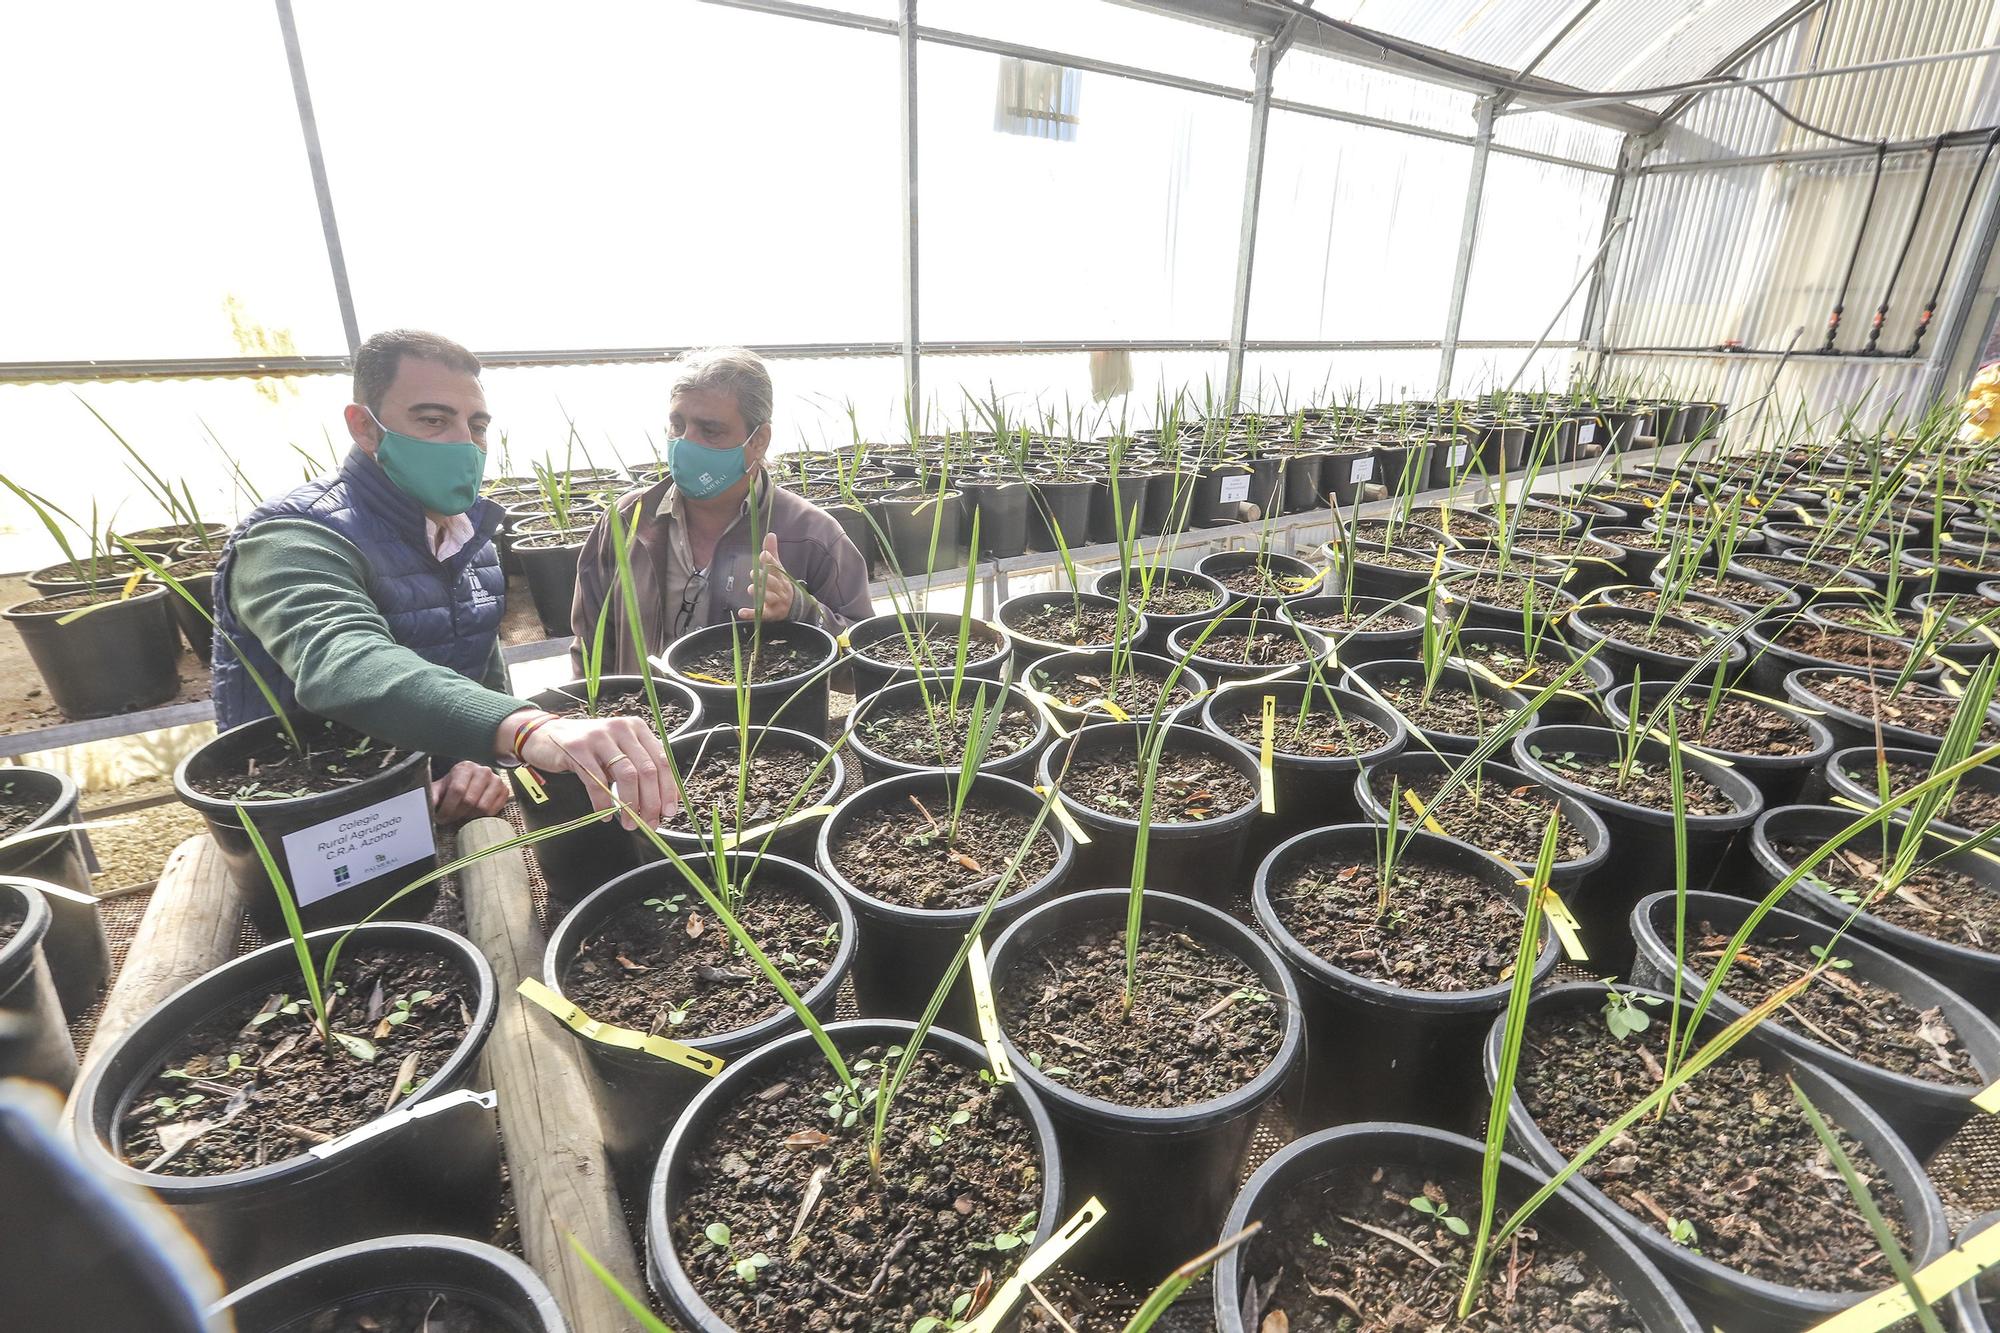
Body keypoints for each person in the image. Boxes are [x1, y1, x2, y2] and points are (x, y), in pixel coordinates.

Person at [209, 329, 675, 829]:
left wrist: (479, 765)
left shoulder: (468, 533)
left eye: (475, 425)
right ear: (365, 427)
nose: (463, 443)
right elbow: (343, 662)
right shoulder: (292, 538)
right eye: (432, 420)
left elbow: (478, 671)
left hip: (437, 820)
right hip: (318, 830)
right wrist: (525, 730)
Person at [569, 348, 872, 674]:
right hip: (645, 722)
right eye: (678, 425)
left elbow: (865, 666)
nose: (685, 443)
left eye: (710, 430)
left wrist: (801, 610)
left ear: (759, 441)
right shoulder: (626, 521)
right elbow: (588, 652)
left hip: (756, 727)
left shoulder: (812, 537)